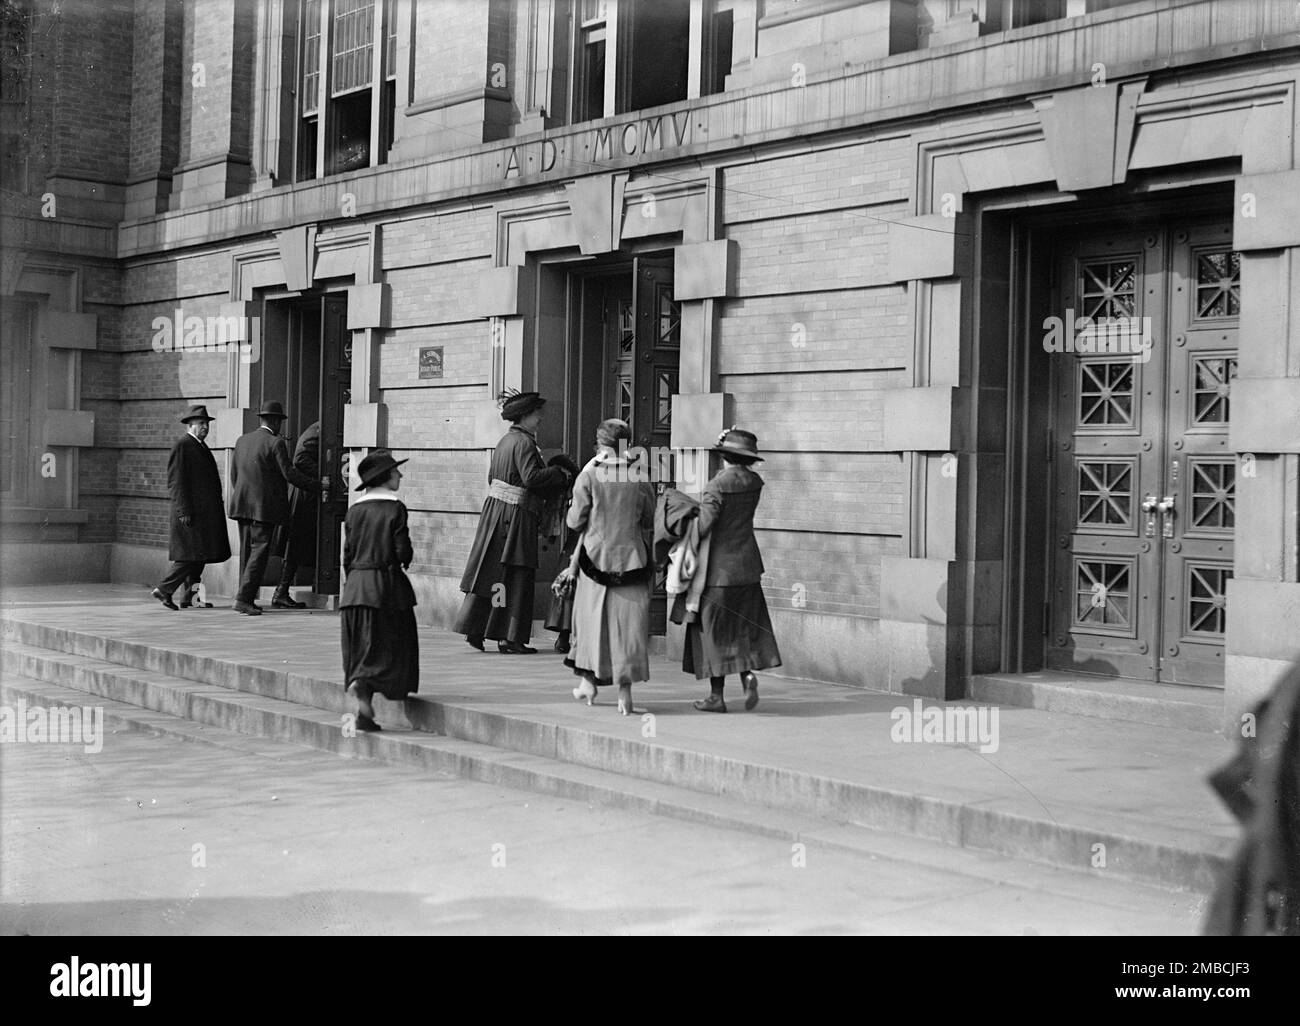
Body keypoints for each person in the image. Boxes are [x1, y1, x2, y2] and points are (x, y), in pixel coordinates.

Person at [453, 390, 572, 654]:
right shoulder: (525, 443)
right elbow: (531, 478)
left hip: (497, 514)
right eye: (537, 414)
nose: (540, 418)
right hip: (515, 518)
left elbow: (493, 479)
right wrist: (558, 473)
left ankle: (478, 629)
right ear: (525, 416)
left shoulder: (506, 441)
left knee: (494, 575)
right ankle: (510, 638)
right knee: (518, 575)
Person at [555, 420, 655, 716]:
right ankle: (625, 694)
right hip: (632, 561)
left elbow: (574, 522)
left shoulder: (589, 477)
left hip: (594, 561)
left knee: (590, 623)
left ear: (599, 443)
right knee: (627, 628)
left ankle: (588, 683)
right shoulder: (639, 476)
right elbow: (649, 520)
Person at [685, 427, 782, 713]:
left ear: (724, 455)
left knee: (713, 633)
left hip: (717, 571)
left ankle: (716, 697)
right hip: (748, 566)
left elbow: (704, 525)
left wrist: (686, 523)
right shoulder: (754, 481)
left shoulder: (717, 484)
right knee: (743, 629)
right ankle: (747, 675)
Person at [341, 449, 419, 733]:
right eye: (396, 472)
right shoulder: (395, 508)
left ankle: (363, 702)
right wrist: (405, 558)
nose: (400, 475)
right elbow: (401, 550)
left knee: (362, 646)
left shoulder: (355, 510)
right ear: (385, 477)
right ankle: (366, 684)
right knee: (388, 643)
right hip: (384, 588)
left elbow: (347, 555)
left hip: (355, 589)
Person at [226, 400, 323, 616]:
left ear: (261, 419)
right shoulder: (275, 443)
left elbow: (234, 475)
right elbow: (289, 473)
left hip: (241, 505)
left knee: (247, 553)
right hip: (263, 509)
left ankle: (242, 595)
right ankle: (244, 599)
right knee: (259, 553)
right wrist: (319, 485)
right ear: (277, 422)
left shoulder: (242, 440)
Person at [150, 404, 230, 610]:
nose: (205, 427)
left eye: (207, 424)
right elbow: (175, 481)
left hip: (202, 514)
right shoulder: (183, 445)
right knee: (189, 556)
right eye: (201, 424)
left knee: (198, 557)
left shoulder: (199, 446)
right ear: (190, 425)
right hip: (189, 513)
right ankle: (164, 589)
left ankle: (191, 598)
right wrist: (183, 510)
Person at [272, 420, 321, 609]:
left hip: (309, 496)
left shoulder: (319, 428)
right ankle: (281, 592)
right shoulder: (318, 428)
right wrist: (325, 476)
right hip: (305, 497)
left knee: (301, 544)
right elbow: (300, 459)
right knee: (295, 544)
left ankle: (283, 592)